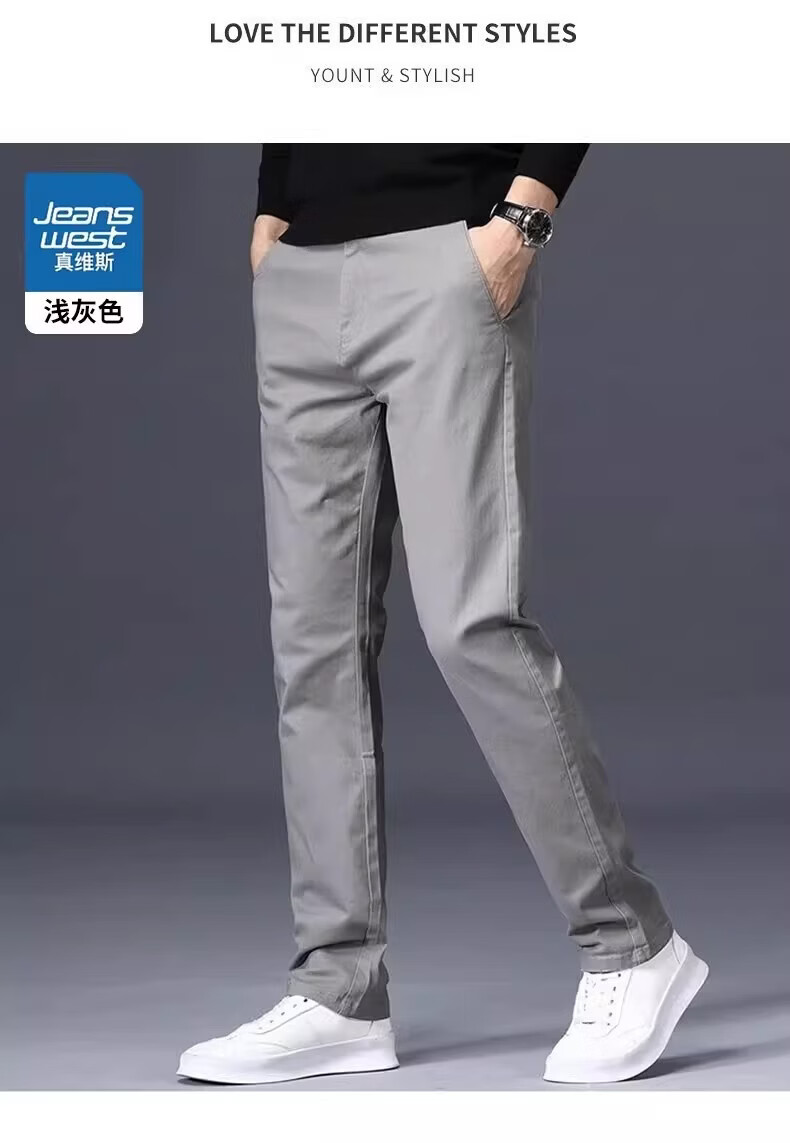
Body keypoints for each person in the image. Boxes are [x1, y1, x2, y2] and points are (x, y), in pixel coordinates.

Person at [178, 145, 707, 1086]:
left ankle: (632, 943)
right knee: (314, 645)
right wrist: (271, 210)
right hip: (299, 270)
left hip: (449, 251)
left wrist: (523, 220)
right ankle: (341, 988)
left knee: (473, 622)